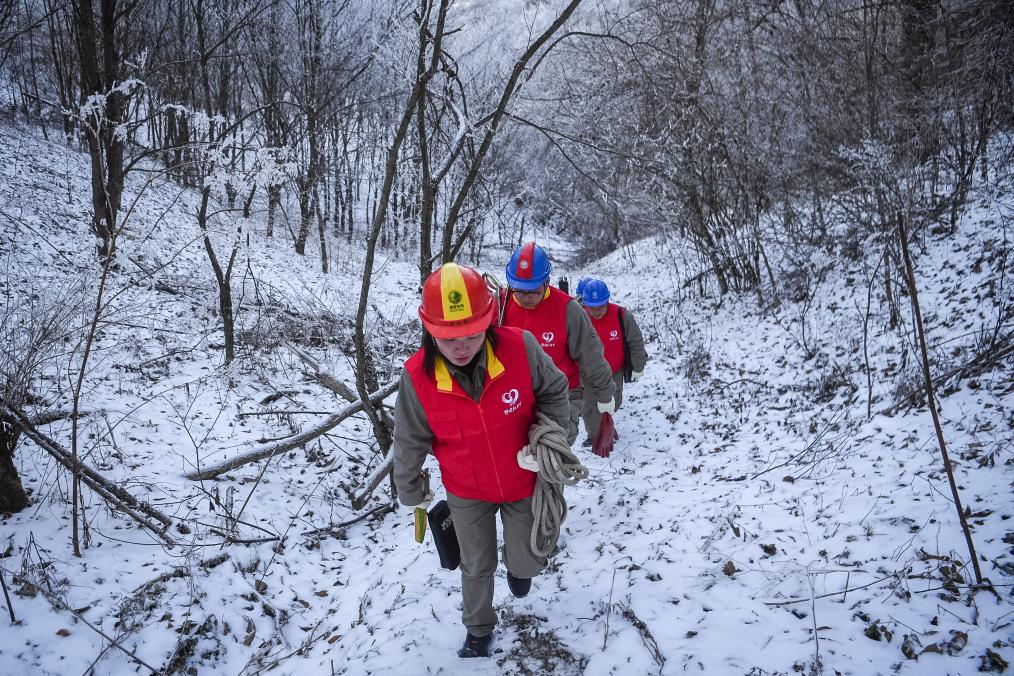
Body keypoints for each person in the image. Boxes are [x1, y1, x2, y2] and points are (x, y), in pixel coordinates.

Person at [393, 262, 571, 659]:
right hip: (467, 490)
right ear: (429, 330)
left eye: (471, 333)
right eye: (448, 337)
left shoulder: (520, 348)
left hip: (524, 479)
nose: (461, 346)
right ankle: (478, 628)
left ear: (488, 321)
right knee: (476, 565)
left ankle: (520, 570)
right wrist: (409, 489)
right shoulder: (417, 379)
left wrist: (554, 440)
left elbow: (556, 391)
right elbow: (409, 439)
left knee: (527, 560)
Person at [499, 242, 615, 445]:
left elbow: (591, 357)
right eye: (519, 290)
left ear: (546, 282)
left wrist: (604, 394)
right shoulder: (499, 307)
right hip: (514, 397)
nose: (525, 298)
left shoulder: (568, 311)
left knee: (552, 454)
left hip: (563, 396)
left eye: (533, 291)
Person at [579, 279, 649, 444]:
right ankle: (595, 435)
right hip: (587, 373)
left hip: (614, 370)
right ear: (585, 304)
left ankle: (606, 422)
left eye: (600, 307)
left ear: (607, 301)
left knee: (613, 402)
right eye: (592, 308)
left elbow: (636, 341)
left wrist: (638, 365)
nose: (596, 312)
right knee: (589, 405)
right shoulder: (578, 317)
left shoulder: (622, 316)